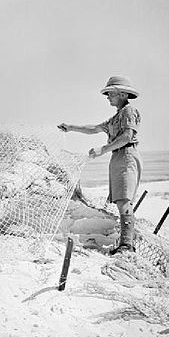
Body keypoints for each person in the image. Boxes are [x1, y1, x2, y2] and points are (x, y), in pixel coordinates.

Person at [58, 76, 142, 254]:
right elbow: (94, 128)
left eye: (110, 93)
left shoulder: (129, 111)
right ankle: (125, 244)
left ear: (121, 93)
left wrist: (102, 149)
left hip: (126, 155)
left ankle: (127, 245)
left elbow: (127, 136)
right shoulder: (116, 116)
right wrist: (71, 127)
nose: (107, 97)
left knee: (124, 201)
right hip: (118, 157)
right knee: (120, 199)